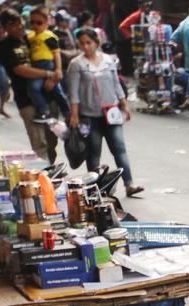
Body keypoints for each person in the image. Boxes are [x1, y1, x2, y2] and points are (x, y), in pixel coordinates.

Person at [67, 28, 143, 196]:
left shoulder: (108, 61)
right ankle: (94, 188)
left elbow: (116, 84)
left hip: (111, 113)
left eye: (89, 42)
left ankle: (129, 184)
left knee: (119, 149)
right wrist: (74, 115)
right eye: (82, 44)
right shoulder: (76, 64)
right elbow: (73, 93)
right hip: (89, 117)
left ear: (96, 42)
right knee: (94, 153)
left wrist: (124, 104)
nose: (86, 47)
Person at [0, 9, 59, 162]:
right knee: (39, 143)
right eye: (14, 26)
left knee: (52, 140)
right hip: (26, 99)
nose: (19, 28)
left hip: (47, 94)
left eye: (20, 24)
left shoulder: (29, 39)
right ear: (5, 28)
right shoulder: (4, 46)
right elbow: (20, 70)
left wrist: (55, 75)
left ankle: (52, 172)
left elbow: (52, 54)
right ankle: (45, 178)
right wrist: (48, 74)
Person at [26, 7, 70, 120]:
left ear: (46, 23)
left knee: (55, 91)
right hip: (35, 65)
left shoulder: (49, 36)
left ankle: (66, 112)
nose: (35, 25)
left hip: (47, 64)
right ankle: (44, 110)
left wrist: (58, 69)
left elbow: (56, 54)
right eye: (32, 22)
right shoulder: (30, 36)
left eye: (39, 22)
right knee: (35, 88)